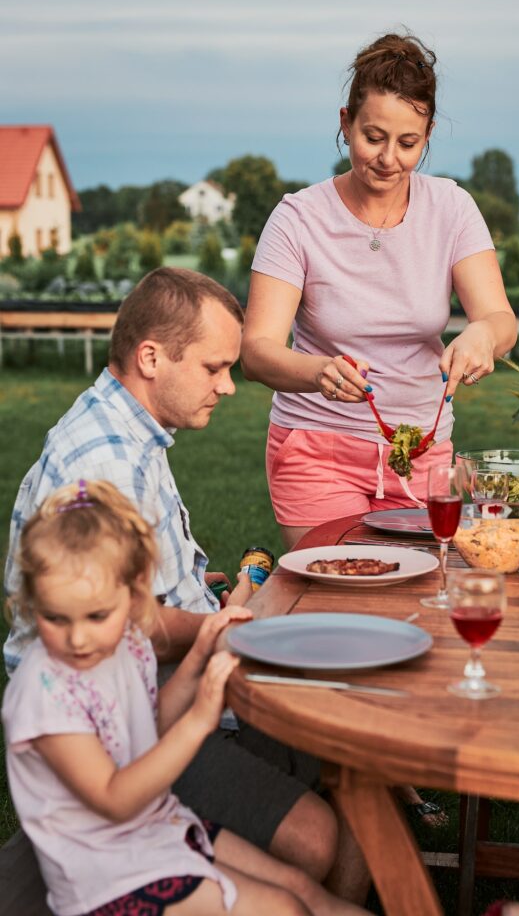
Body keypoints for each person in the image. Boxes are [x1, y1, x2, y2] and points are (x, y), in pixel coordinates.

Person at [3, 267, 365, 900]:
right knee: (320, 828)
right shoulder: (105, 464)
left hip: (152, 692)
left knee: (349, 745)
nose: (228, 386)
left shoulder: (126, 429)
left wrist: (198, 591)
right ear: (151, 357)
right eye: (214, 368)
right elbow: (132, 624)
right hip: (121, 721)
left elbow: (140, 591)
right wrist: (241, 627)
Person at [2, 479, 369, 916]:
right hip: (106, 876)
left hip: (155, 828)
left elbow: (148, 731)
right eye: (54, 617)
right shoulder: (46, 694)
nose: (78, 637)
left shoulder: (126, 642)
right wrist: (199, 719)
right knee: (283, 907)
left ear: (135, 595)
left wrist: (197, 658)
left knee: (299, 890)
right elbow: (114, 797)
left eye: (97, 616)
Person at [241, 31, 517, 552]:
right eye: (373, 137)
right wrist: (316, 372)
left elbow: (501, 320)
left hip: (423, 456)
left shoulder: (453, 209)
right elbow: (256, 353)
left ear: (428, 134)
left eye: (408, 143)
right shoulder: (297, 219)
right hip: (316, 450)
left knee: (415, 601)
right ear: (345, 123)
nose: (388, 158)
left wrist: (483, 335)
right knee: (344, 597)